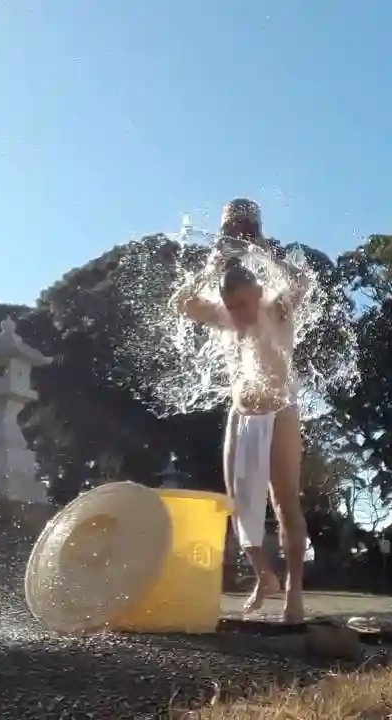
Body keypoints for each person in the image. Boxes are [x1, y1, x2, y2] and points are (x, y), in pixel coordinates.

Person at [168, 198, 310, 623]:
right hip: (241, 415)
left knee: (284, 503)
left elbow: (302, 281)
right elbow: (180, 303)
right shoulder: (226, 317)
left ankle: (294, 592)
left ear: (258, 294)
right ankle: (264, 576)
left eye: (246, 304)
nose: (241, 314)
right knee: (238, 504)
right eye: (233, 307)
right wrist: (212, 265)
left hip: (279, 413)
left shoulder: (276, 308)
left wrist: (263, 249)